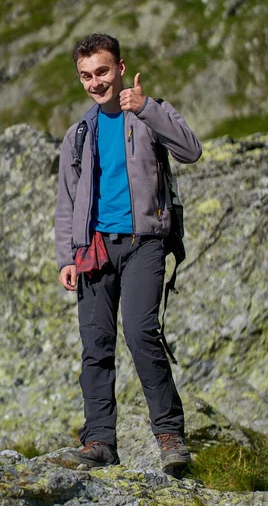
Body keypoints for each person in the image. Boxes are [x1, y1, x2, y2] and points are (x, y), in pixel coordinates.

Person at [54, 33, 202, 471]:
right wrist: (66, 256)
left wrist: (148, 109)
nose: (95, 82)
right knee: (95, 345)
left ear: (120, 68)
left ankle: (170, 435)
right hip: (94, 250)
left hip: (145, 244)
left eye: (101, 71)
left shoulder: (148, 113)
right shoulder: (79, 134)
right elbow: (67, 199)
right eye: (85, 76)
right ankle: (99, 441)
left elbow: (191, 150)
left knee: (140, 333)